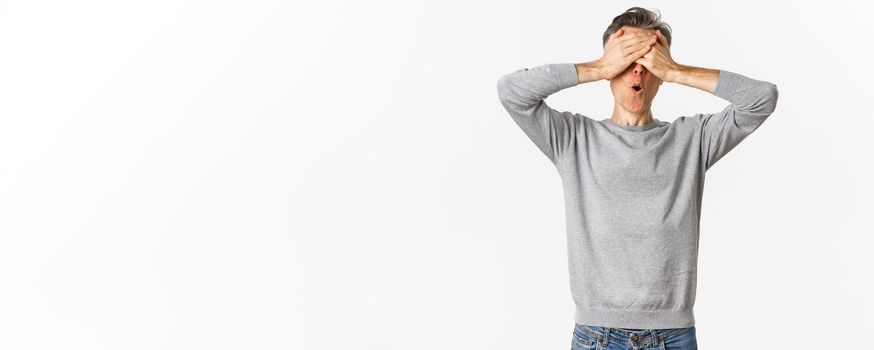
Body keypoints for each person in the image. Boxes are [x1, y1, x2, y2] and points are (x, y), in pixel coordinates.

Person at [495, 7, 778, 350]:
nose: (639, 69)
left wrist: (678, 70)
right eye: (628, 58)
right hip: (596, 335)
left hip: (673, 336)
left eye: (649, 60)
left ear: (661, 75)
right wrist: (598, 66)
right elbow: (512, 92)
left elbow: (761, 99)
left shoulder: (693, 139)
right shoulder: (573, 138)